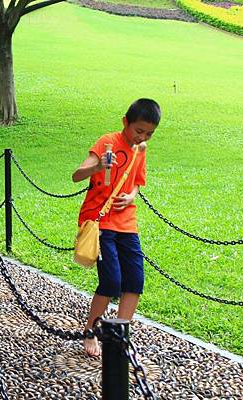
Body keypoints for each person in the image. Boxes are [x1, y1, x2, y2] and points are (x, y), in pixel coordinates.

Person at [71, 98, 161, 357]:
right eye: (139, 131)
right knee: (111, 281)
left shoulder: (140, 150)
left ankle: (120, 337)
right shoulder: (107, 142)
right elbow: (77, 175)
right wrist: (98, 166)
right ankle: (90, 331)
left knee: (134, 281)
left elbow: (137, 182)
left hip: (127, 223)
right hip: (99, 220)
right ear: (125, 122)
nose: (142, 137)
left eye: (149, 134)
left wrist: (131, 196)